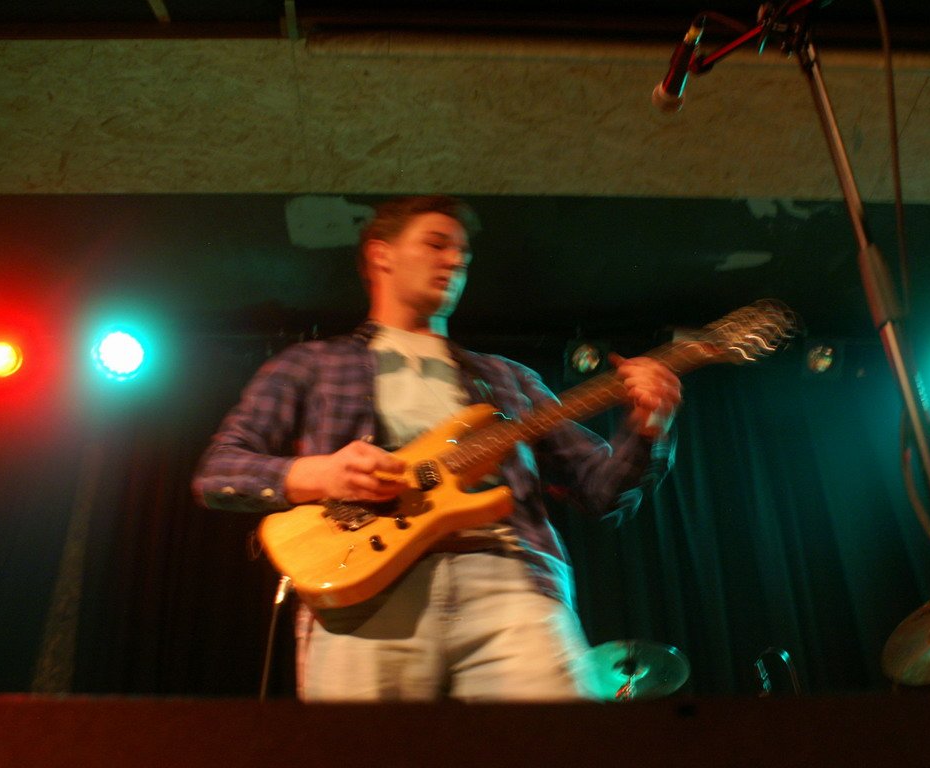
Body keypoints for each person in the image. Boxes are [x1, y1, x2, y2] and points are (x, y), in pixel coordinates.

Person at [192, 195, 682, 702]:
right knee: (357, 744)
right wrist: (323, 474)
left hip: (509, 576)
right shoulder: (311, 365)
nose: (455, 261)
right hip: (361, 585)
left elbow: (600, 489)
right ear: (381, 254)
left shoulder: (509, 378)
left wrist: (649, 427)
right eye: (436, 244)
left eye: (463, 254)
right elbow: (219, 471)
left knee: (551, 739)